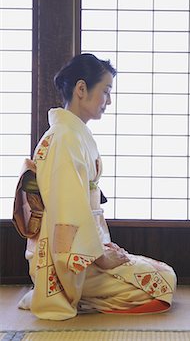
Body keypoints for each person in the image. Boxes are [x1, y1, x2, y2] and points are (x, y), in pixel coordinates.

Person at [16, 53, 177, 320]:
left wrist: (103, 247)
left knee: (161, 272)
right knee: (163, 283)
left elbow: (81, 210)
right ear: (81, 89)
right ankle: (59, 294)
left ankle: (78, 292)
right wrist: (101, 257)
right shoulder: (65, 138)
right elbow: (70, 212)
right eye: (106, 91)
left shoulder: (72, 134)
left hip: (81, 249)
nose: (109, 101)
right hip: (63, 260)